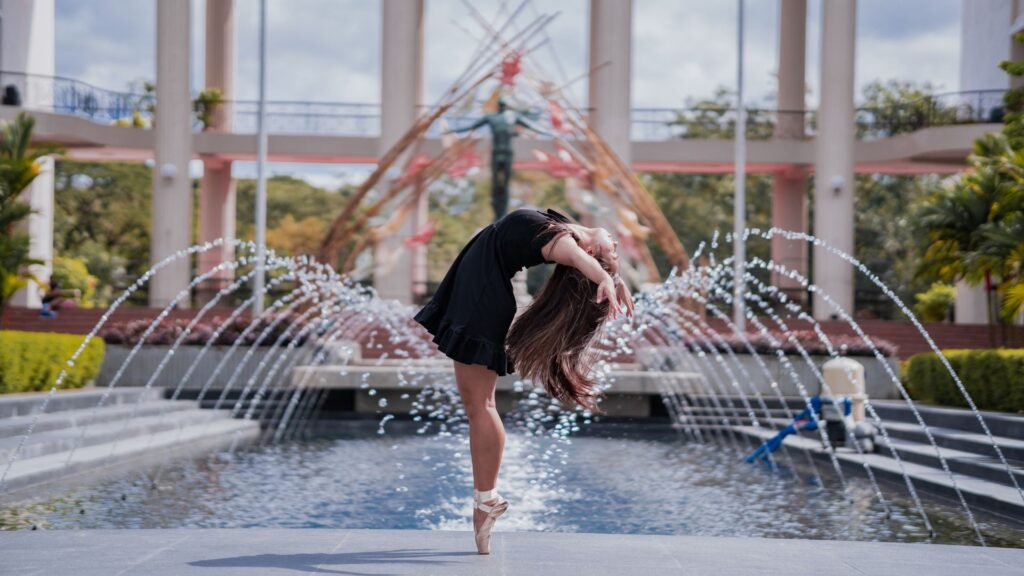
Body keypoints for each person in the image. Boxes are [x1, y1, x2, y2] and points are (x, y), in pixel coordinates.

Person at [413, 207, 634, 554]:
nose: (616, 245)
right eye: (615, 253)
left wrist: (604, 277)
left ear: (590, 254)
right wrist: (613, 278)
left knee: (480, 406)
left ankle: (486, 499)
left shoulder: (565, 244)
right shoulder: (562, 226)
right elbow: (583, 257)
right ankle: (486, 502)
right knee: (478, 405)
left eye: (612, 253)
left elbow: (577, 257)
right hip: (479, 295)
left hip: (480, 301)